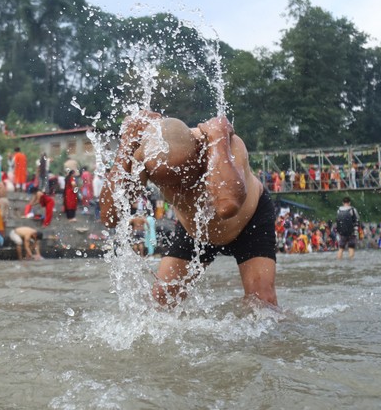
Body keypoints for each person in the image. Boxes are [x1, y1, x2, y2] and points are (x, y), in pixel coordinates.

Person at [99, 112, 277, 307]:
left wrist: (218, 141)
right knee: (161, 301)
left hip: (249, 220)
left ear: (198, 154)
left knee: (262, 301)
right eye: (168, 185)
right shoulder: (145, 157)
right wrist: (126, 146)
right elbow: (110, 217)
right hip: (195, 228)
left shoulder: (223, 143)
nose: (178, 191)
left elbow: (227, 206)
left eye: (181, 181)